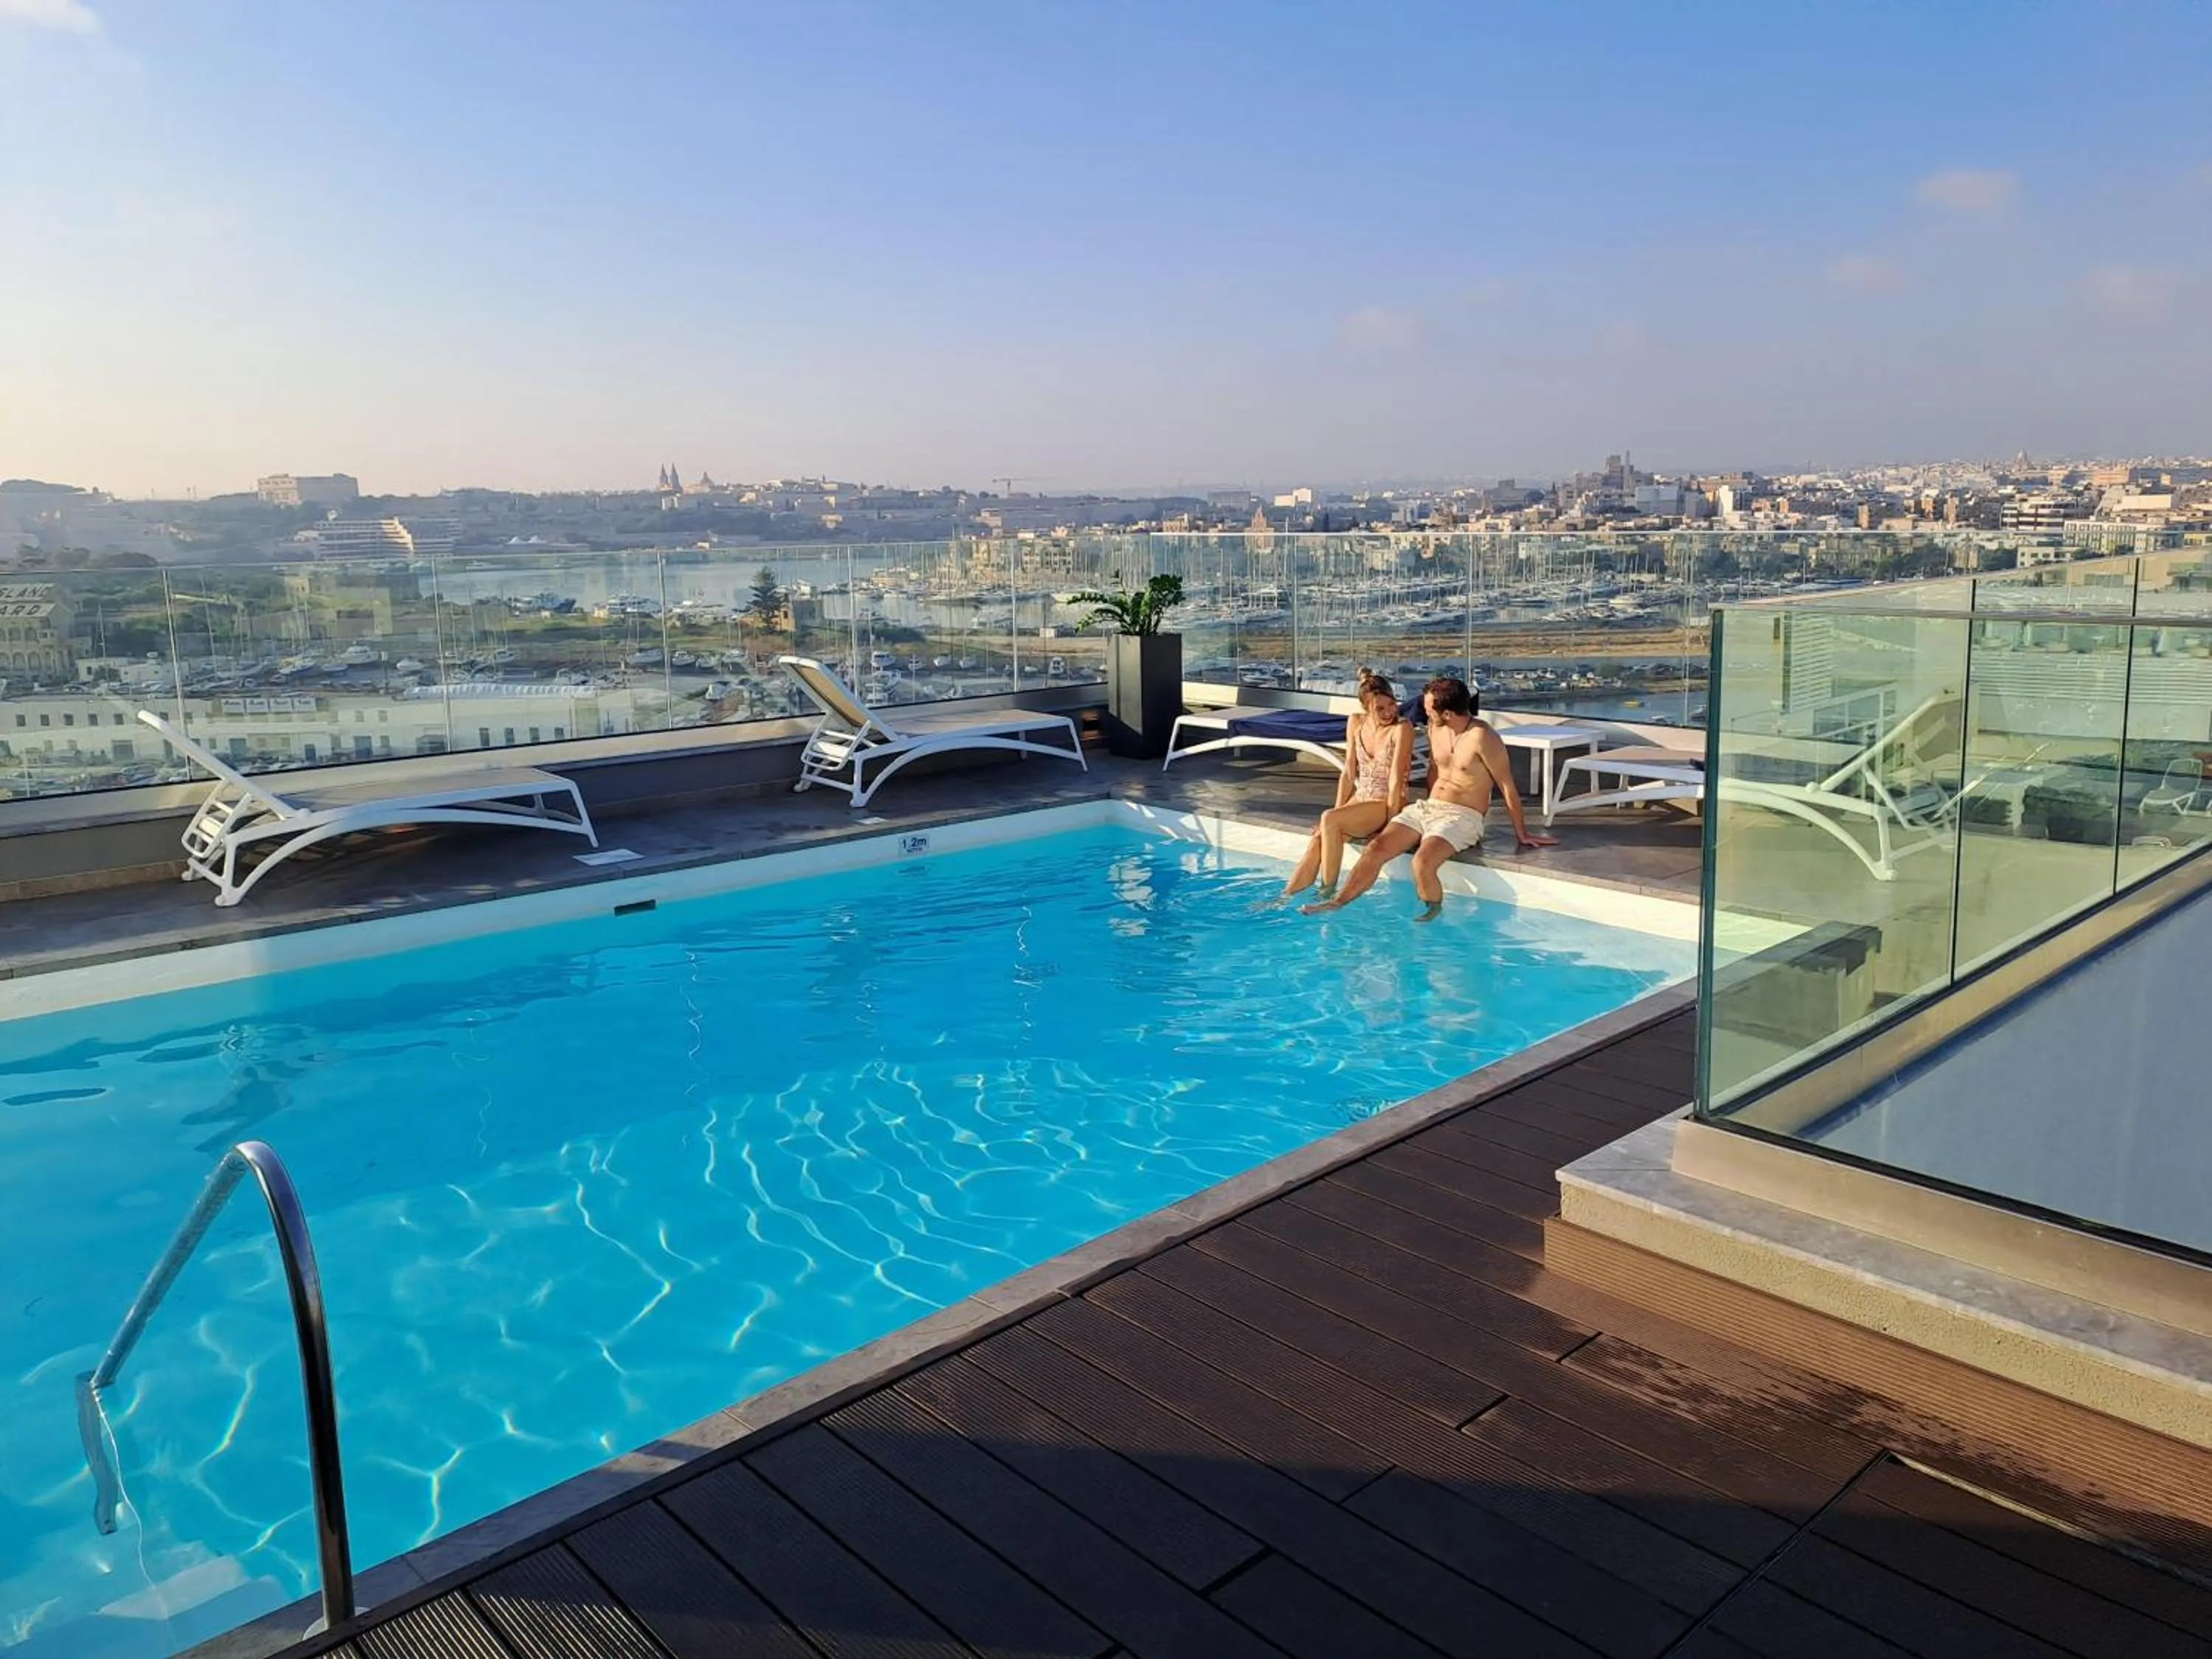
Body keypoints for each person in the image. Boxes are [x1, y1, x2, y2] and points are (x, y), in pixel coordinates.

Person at [1304, 675, 1557, 922]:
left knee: (1422, 862)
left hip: (1463, 815)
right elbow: (1435, 770)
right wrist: (1419, 809)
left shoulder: (1483, 737)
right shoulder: (1436, 727)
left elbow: (1506, 785)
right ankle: (1336, 903)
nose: (1422, 711)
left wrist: (1521, 833)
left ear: (1446, 712)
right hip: (1428, 808)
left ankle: (1432, 911)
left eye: (1427, 707)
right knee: (1375, 850)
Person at [1279, 669, 1413, 902]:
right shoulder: (1355, 722)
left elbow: (1395, 778)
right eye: (1379, 708)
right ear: (1366, 709)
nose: (1389, 711)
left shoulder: (1402, 729)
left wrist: (1390, 825)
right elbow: (1349, 772)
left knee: (1329, 819)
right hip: (1360, 800)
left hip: (1386, 802)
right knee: (1319, 839)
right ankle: (1286, 898)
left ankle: (1327, 892)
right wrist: (1335, 814)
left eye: (1391, 704)